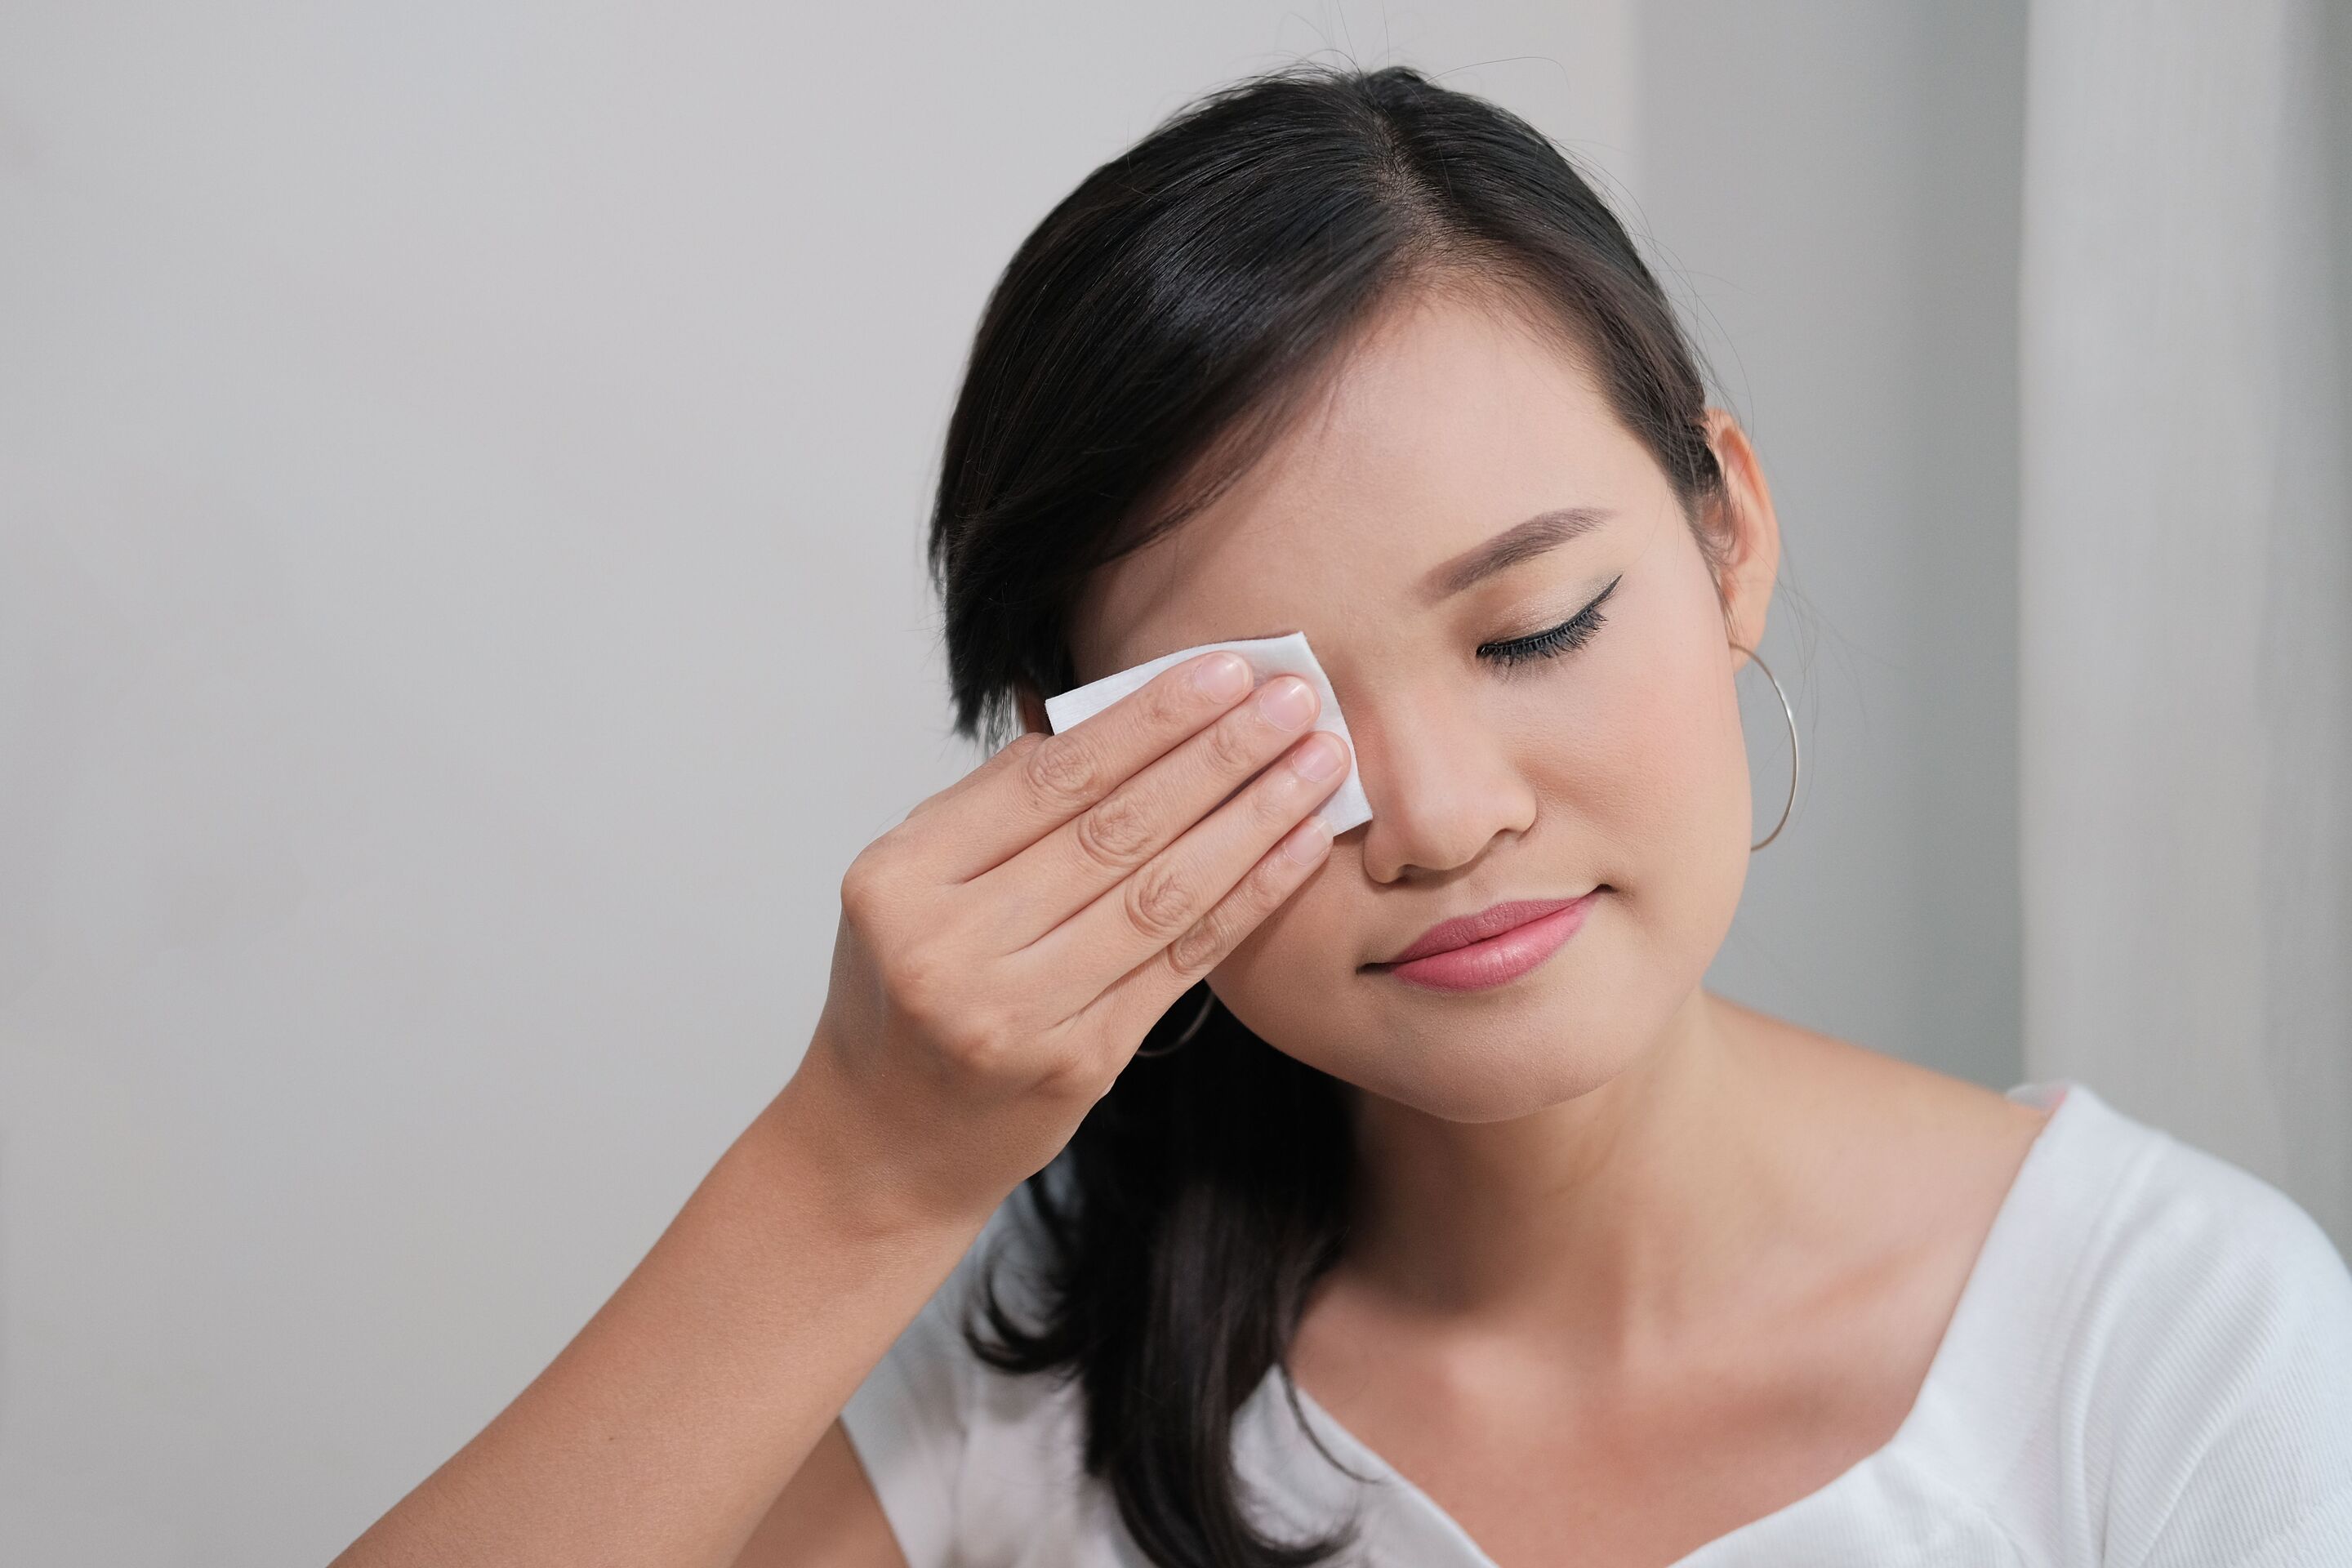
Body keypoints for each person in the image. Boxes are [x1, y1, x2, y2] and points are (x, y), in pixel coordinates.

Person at [333, 63, 2352, 1568]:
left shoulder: (2167, 1348)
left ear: (1728, 531)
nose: (1443, 818)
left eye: (1537, 626)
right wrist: (854, 1166)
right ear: (1068, 758)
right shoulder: (1043, 1366)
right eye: (1262, 725)